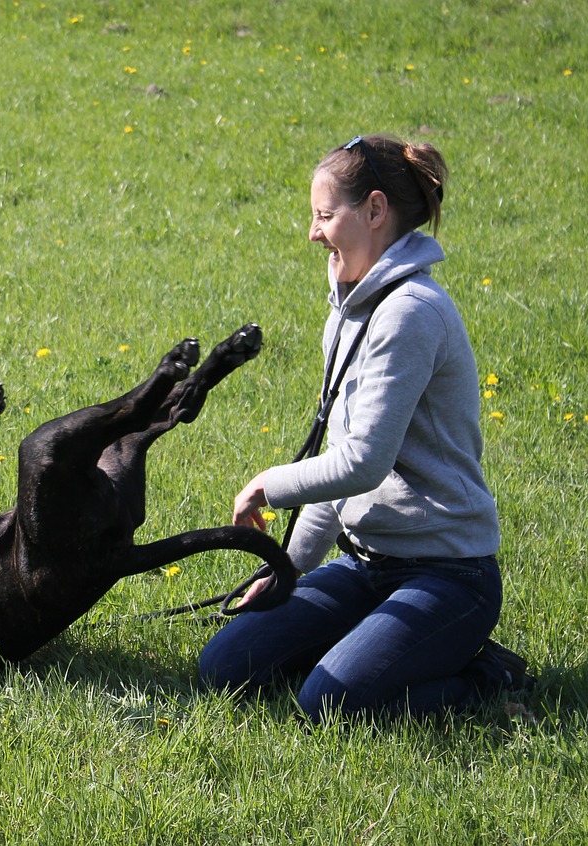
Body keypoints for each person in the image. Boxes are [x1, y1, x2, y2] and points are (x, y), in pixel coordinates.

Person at [198, 134, 529, 722]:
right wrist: (290, 569)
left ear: (375, 211)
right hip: (365, 563)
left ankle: (487, 677)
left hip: (449, 577)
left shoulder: (411, 313)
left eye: (325, 215)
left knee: (331, 703)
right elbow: (342, 460)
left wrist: (267, 483)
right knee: (225, 666)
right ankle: (375, 649)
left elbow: (363, 464)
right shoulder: (349, 309)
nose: (313, 232)